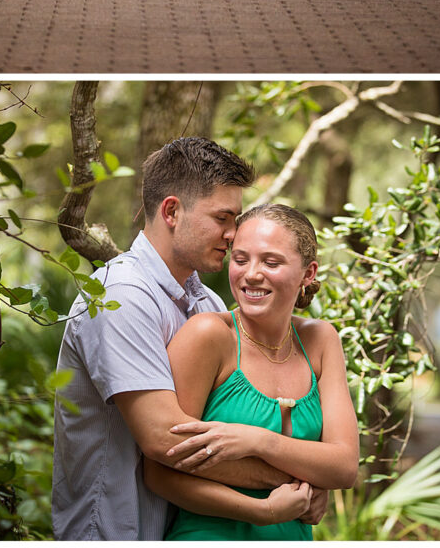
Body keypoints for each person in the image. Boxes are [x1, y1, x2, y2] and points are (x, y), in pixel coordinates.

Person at [51, 136, 327, 541]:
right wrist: (299, 481)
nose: (234, 234)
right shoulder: (121, 295)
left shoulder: (205, 301)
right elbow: (168, 440)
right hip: (114, 530)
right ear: (172, 211)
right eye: (223, 218)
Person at [145, 201, 360, 537]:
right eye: (241, 259)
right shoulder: (209, 335)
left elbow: (345, 467)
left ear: (309, 273)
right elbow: (160, 471)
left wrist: (258, 441)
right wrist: (265, 510)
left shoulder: (320, 340)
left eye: (271, 262)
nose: (251, 273)